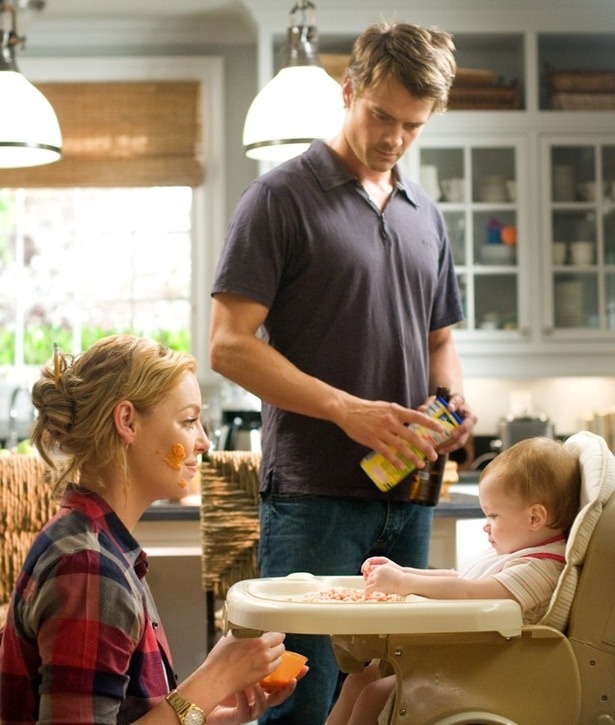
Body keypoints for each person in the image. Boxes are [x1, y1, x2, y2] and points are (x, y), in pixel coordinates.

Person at [209, 19, 477, 724]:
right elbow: (227, 344)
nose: (393, 137)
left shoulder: (426, 216)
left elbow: (440, 337)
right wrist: (345, 409)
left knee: (391, 698)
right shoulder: (280, 198)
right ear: (347, 89)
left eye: (412, 125)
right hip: (312, 498)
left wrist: (450, 395)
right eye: (380, 115)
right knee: (300, 705)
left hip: (409, 495)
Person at [0, 335, 306, 724]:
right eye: (189, 420)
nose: (204, 442)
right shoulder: (89, 567)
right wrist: (213, 679)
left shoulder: (101, 544)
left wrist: (208, 714)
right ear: (127, 421)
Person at [326, 436, 582, 725]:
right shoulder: (517, 554)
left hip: (488, 667)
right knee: (358, 680)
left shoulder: (541, 569)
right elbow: (459, 578)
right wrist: (404, 572)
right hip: (462, 655)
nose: (486, 526)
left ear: (535, 518)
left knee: (373, 695)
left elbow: (471, 593)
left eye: (493, 515)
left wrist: (402, 584)